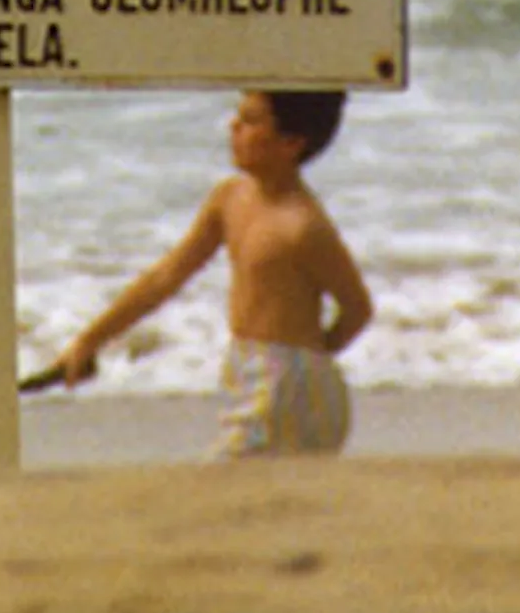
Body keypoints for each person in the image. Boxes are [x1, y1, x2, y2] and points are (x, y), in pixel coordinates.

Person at [57, 90, 373, 457]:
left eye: (251, 120)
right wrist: (90, 339)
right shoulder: (229, 198)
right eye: (237, 116)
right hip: (246, 368)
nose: (233, 126)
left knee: (224, 490)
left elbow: (357, 309)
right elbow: (165, 277)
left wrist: (306, 361)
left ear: (291, 143)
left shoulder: (303, 227)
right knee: (263, 505)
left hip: (289, 382)